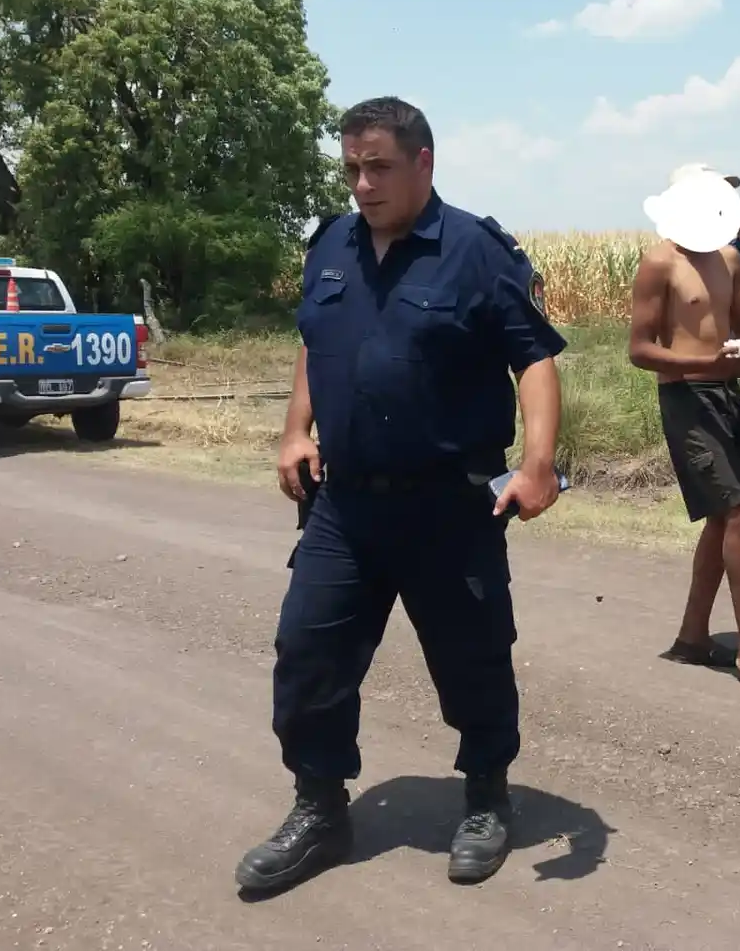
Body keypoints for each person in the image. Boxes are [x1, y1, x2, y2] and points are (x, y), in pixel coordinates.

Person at [235, 96, 567, 894]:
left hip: (450, 506)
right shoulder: (330, 247)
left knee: (473, 659)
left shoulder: (476, 252)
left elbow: (534, 360)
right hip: (345, 505)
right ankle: (320, 806)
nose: (362, 183)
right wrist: (295, 431)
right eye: (351, 167)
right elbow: (315, 345)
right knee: (307, 652)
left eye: (378, 165)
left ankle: (487, 795)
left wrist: (539, 461)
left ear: (423, 161)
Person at [629, 163, 740, 703]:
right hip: (686, 397)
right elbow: (640, 349)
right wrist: (703, 360)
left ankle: (693, 637)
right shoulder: (660, 263)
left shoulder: (729, 258)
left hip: (728, 391)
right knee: (739, 511)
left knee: (736, 515)